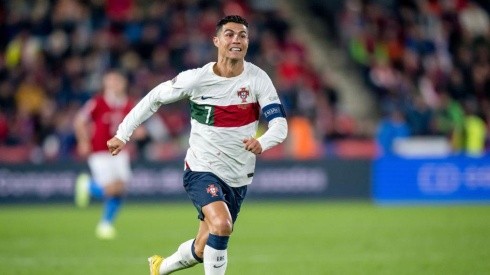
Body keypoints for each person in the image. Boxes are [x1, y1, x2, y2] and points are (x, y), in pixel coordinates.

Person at [107, 15, 288, 275]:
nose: (236, 39)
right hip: (201, 168)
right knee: (222, 224)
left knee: (203, 248)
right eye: (229, 34)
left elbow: (280, 125)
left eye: (242, 35)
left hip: (238, 176)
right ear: (216, 40)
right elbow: (154, 98)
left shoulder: (259, 80)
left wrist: (263, 142)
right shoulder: (196, 79)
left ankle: (160, 268)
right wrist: (123, 134)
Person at [74, 70, 138, 240]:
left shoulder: (128, 104)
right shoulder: (97, 102)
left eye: (118, 80)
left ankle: (105, 224)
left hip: (119, 151)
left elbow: (134, 125)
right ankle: (87, 186)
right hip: (100, 151)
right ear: (106, 84)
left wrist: (138, 133)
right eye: (111, 81)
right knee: (111, 188)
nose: (115, 84)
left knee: (121, 189)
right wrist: (83, 141)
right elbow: (80, 120)